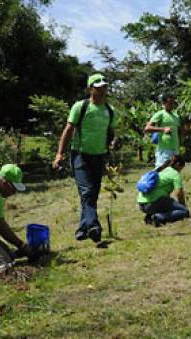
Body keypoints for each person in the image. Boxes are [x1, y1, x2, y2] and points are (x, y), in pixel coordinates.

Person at [52, 73, 116, 243]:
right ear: (90, 89)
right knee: (87, 191)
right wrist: (60, 154)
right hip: (80, 155)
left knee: (92, 194)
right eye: (98, 87)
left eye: (104, 87)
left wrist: (113, 144)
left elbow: (110, 133)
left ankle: (82, 228)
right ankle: (94, 226)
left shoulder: (109, 110)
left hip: (99, 156)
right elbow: (68, 131)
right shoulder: (81, 106)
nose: (102, 90)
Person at [137, 155, 189, 226]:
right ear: (177, 165)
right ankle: (158, 217)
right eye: (181, 168)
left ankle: (149, 216)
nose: (180, 171)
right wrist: (183, 206)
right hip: (153, 203)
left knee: (166, 201)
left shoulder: (162, 170)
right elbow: (179, 193)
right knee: (184, 211)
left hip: (141, 204)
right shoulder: (175, 174)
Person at [144, 94, 181, 168]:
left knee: (173, 173)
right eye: (170, 102)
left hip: (175, 149)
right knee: (162, 172)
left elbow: (178, 132)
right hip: (164, 150)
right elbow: (147, 128)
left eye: (173, 102)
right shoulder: (160, 114)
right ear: (164, 103)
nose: (172, 104)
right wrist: (163, 129)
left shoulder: (176, 116)